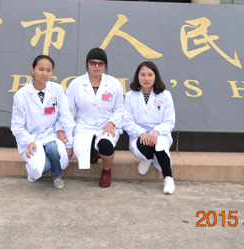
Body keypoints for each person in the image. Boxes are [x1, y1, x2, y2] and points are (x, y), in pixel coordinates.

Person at [10, 55, 75, 189]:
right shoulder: (21, 95)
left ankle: (57, 176)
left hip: (51, 134)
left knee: (54, 150)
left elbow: (65, 117)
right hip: (32, 137)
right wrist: (28, 141)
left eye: (48, 70)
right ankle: (37, 169)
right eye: (41, 69)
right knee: (41, 168)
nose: (45, 74)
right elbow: (17, 126)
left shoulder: (57, 89)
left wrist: (68, 143)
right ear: (32, 69)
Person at [65, 48, 124, 187]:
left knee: (105, 144)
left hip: (106, 125)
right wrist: (68, 137)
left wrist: (112, 123)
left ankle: (106, 170)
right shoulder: (76, 84)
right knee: (84, 151)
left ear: (105, 65)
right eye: (93, 63)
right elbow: (68, 111)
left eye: (100, 63)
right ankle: (93, 152)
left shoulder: (114, 84)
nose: (96, 66)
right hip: (84, 125)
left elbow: (120, 108)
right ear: (87, 63)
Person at [123, 61, 176, 195]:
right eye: (143, 75)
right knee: (143, 145)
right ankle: (149, 158)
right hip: (139, 135)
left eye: (150, 75)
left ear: (155, 76)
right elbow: (127, 121)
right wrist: (141, 132)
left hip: (160, 134)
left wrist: (156, 131)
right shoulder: (130, 96)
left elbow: (169, 121)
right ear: (137, 76)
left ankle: (168, 178)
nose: (146, 78)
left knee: (159, 145)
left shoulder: (165, 95)